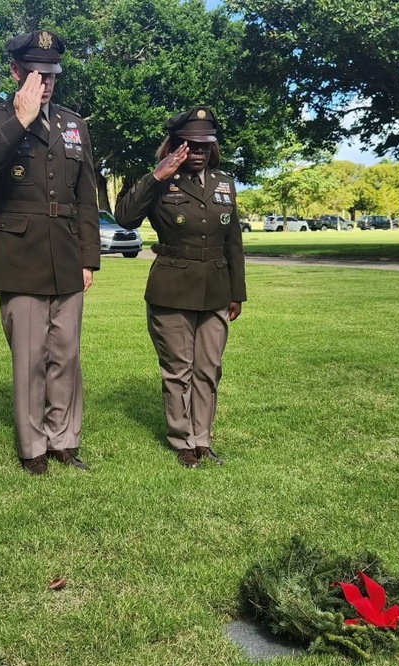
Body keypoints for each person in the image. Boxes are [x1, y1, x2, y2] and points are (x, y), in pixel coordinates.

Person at [0, 30, 100, 475]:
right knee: (29, 358)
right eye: (37, 73)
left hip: (65, 254)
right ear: (15, 71)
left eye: (52, 74)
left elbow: (85, 196)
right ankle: (33, 449)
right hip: (19, 254)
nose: (46, 82)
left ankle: (64, 440)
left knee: (66, 354)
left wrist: (87, 257)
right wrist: (19, 122)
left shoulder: (73, 124)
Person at [115, 107, 246, 469]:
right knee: (178, 369)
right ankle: (182, 440)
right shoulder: (160, 181)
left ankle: (202, 438)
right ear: (176, 145)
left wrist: (237, 292)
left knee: (209, 368)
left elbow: (233, 240)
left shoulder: (224, 182)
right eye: (190, 143)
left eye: (205, 144)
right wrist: (157, 176)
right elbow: (125, 217)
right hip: (172, 287)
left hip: (216, 288)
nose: (199, 151)